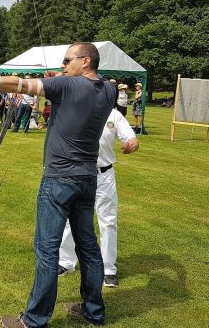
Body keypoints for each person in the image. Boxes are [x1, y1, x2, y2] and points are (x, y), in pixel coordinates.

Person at [0, 42, 116, 328]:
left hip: (59, 179)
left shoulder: (67, 85)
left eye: (67, 60)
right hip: (88, 179)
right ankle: (93, 311)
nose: (63, 66)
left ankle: (34, 320)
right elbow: (79, 90)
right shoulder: (109, 89)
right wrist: (60, 79)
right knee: (88, 246)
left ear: (86, 61)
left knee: (47, 249)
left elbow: (20, 85)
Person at [58, 107, 139, 288]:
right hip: (78, 173)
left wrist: (132, 143)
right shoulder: (75, 109)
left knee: (108, 221)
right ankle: (65, 261)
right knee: (71, 218)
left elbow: (131, 137)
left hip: (104, 175)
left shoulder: (113, 114)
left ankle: (108, 269)